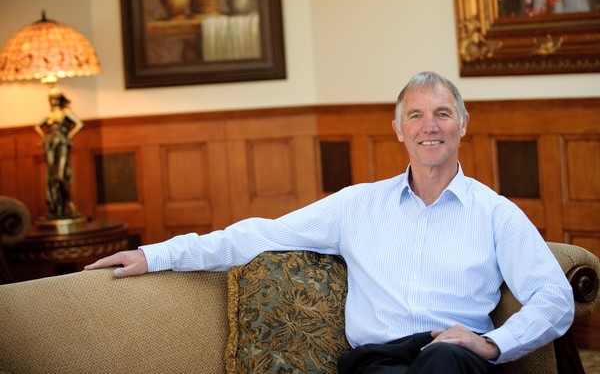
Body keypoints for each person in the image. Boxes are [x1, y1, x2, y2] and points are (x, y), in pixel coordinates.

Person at [85, 71, 574, 373]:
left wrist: (490, 344)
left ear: (463, 125)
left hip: (455, 361)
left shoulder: (496, 213)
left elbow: (554, 298)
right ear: (398, 129)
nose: (430, 127)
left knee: (444, 360)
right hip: (378, 362)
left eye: (443, 114)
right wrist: (157, 254)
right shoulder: (356, 205)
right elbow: (260, 233)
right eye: (417, 115)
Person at [35, 88, 83, 218]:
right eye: (51, 98)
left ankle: (70, 203)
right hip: (50, 144)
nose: (53, 101)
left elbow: (79, 124)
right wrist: (44, 137)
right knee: (51, 176)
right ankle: (55, 206)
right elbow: (37, 125)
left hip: (62, 143)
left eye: (56, 98)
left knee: (60, 175)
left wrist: (69, 136)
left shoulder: (66, 112)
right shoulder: (49, 115)